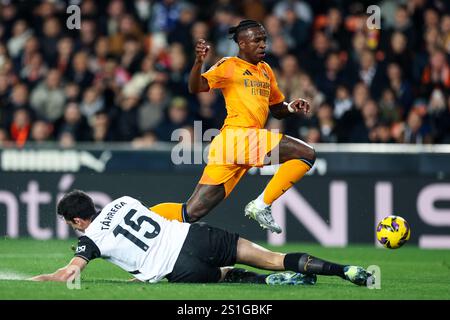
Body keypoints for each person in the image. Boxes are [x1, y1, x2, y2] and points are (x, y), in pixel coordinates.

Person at [150, 20, 316, 234]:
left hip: (232, 146)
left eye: (264, 39)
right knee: (306, 153)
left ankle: (139, 214)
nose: (263, 44)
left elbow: (276, 108)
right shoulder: (229, 65)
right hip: (240, 137)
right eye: (257, 40)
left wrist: (291, 107)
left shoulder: (265, 70)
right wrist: (198, 62)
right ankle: (261, 205)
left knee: (191, 212)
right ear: (242, 43)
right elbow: (196, 86)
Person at [30, 190, 373, 286]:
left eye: (72, 224)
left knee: (223, 275)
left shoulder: (90, 240)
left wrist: (35, 279)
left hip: (178, 269)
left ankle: (267, 283)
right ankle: (346, 271)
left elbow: (68, 274)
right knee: (272, 256)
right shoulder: (125, 200)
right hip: (196, 237)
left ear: (78, 219)